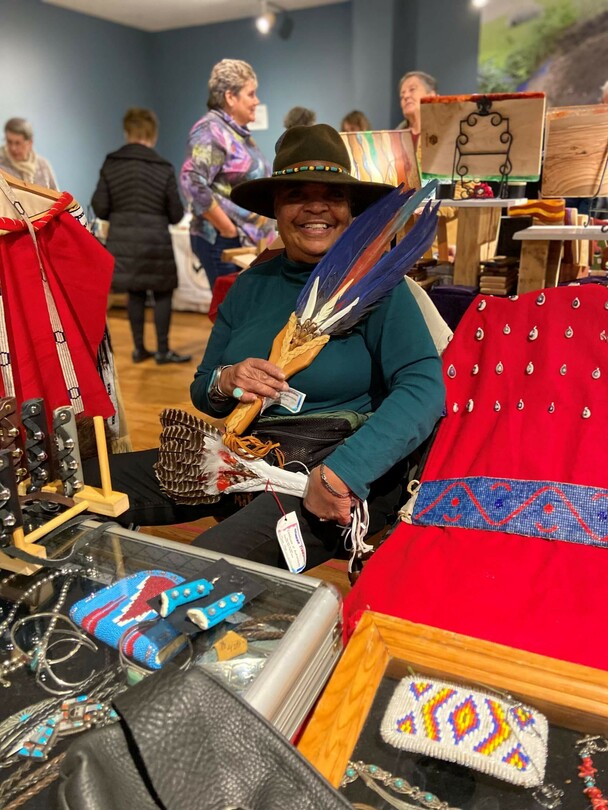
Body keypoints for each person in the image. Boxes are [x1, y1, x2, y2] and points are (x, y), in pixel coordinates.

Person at [86, 124, 445, 570]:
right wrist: (228, 379)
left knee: (206, 565)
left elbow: (424, 389)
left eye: (332, 196)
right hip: (244, 456)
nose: (316, 207)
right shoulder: (249, 287)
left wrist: (343, 475)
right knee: (84, 484)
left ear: (350, 209)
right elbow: (204, 390)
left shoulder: (379, 291)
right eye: (297, 194)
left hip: (329, 467)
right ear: (276, 207)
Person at [92, 108, 190, 365]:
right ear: (153, 135)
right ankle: (163, 350)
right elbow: (176, 214)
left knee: (134, 293)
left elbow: (100, 207)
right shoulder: (163, 166)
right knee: (163, 294)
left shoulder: (111, 163)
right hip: (156, 243)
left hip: (123, 244)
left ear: (127, 132)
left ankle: (138, 349)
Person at [180, 59, 276, 291]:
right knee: (230, 316)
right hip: (223, 241)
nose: (257, 101)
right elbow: (191, 181)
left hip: (244, 240)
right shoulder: (211, 130)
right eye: (251, 94)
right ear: (230, 97)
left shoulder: (236, 133)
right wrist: (228, 229)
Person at [0, 117, 58, 189]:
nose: (13, 148)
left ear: (30, 143)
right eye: (9, 142)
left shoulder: (43, 165)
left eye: (18, 143)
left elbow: (57, 197)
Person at [396, 71, 438, 148]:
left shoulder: (449, 130)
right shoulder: (396, 137)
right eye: (402, 96)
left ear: (432, 96)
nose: (406, 96)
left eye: (412, 90)